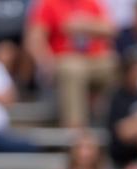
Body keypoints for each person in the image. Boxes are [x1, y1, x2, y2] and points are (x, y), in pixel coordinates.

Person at [24, 0, 117, 129]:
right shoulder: (49, 4)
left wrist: (85, 25)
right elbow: (34, 38)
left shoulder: (91, 3)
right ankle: (76, 131)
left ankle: (113, 122)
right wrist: (45, 62)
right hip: (63, 59)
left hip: (94, 60)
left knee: (115, 64)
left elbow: (111, 29)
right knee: (73, 69)